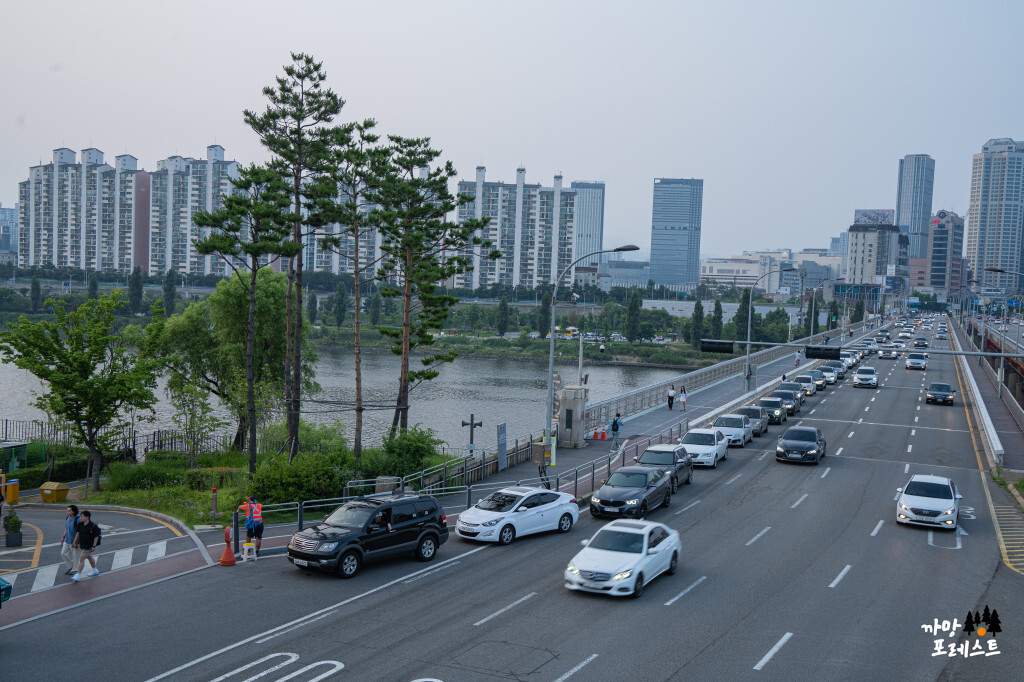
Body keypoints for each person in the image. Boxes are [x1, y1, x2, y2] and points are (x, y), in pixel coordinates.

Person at [71, 510, 101, 581]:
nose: (80, 517)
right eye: (80, 516)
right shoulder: (80, 524)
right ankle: (95, 570)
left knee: (81, 559)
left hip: (89, 546)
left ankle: (77, 575)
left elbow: (96, 536)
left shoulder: (93, 526)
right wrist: (74, 542)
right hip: (82, 544)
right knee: (89, 557)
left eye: (82, 516)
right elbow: (78, 534)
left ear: (87, 517)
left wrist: (93, 546)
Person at [61, 504, 80, 576]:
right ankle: (71, 566)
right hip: (67, 540)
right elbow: (66, 528)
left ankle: (75, 570)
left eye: (69, 511)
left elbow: (79, 532)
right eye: (67, 510)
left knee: (75, 556)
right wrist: (63, 537)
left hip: (75, 542)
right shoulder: (67, 518)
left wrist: (75, 542)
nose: (67, 512)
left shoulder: (77, 520)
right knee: (63, 554)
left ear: (73, 512)